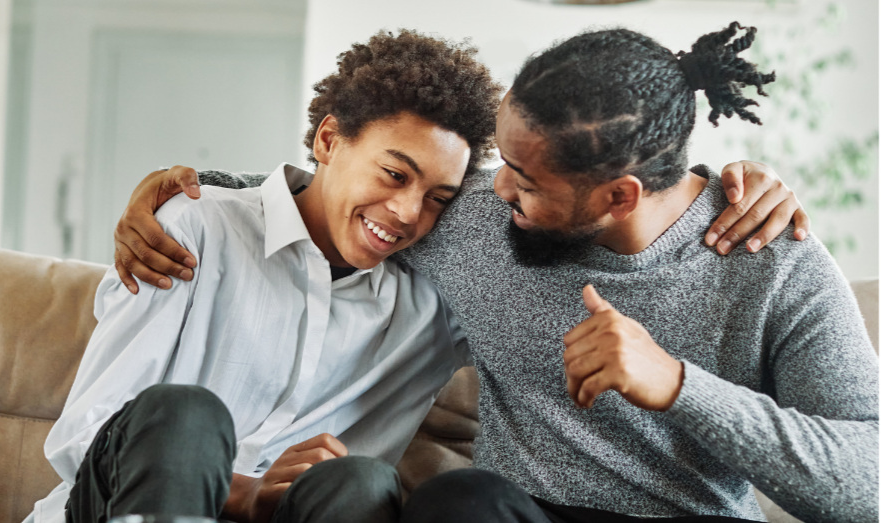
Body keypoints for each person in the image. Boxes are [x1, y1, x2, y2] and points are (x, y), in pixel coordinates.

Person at [116, 23, 880, 523]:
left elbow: (869, 481)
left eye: (523, 177)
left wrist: (678, 383)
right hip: (516, 512)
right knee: (456, 500)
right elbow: (342, 192)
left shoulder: (773, 261)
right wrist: (183, 189)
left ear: (618, 196)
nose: (494, 191)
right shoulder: (477, 218)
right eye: (499, 163)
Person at [27, 30, 500, 523]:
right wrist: (244, 494)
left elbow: (538, 194)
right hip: (124, 503)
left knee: (362, 481)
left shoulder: (438, 305)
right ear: (329, 140)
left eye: (438, 199)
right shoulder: (195, 226)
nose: (407, 212)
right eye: (394, 175)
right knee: (186, 415)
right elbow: (86, 434)